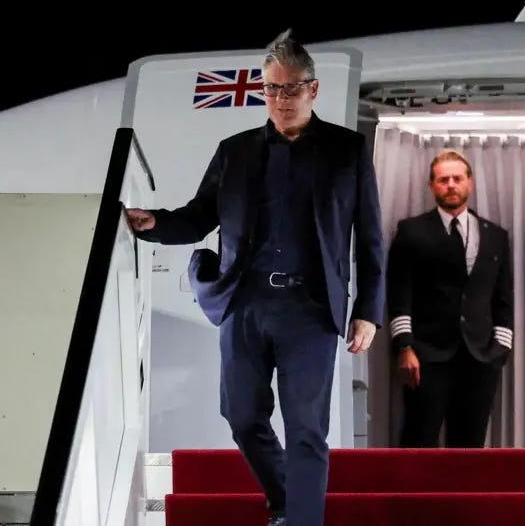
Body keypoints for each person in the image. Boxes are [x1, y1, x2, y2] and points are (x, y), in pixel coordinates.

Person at [125, 29, 385, 526]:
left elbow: (371, 238)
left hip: (311, 310)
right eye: (271, 88)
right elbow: (199, 216)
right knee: (241, 416)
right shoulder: (235, 151)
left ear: (313, 89)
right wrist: (155, 223)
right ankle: (286, 500)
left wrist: (369, 311)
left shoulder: (347, 150)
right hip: (244, 304)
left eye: (292, 88)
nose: (281, 98)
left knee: (306, 428)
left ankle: (301, 519)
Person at [386, 149, 513, 449]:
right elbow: (399, 292)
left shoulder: (495, 236)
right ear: (432, 186)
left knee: (470, 446)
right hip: (426, 357)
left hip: (480, 358)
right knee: (418, 441)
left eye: (457, 178)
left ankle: (465, 487)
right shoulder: (411, 231)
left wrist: (500, 349)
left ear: (470, 183)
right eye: (443, 180)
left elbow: (503, 298)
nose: (451, 185)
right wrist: (404, 346)